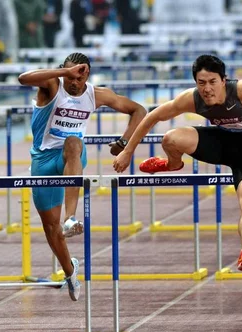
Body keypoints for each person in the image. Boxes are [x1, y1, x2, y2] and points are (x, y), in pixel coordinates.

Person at [112, 54, 242, 272]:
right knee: (171, 138)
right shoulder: (192, 99)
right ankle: (172, 164)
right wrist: (127, 151)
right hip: (220, 143)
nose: (207, 89)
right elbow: (153, 117)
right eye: (201, 83)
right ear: (195, 83)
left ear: (223, 80)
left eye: (212, 82)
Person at [18, 52, 147, 301]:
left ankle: (71, 217)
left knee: (74, 143)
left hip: (71, 157)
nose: (74, 81)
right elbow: (23, 78)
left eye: (79, 75)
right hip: (43, 161)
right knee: (50, 228)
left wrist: (124, 141)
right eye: (71, 75)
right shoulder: (53, 86)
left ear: (87, 74)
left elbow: (139, 110)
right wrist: (63, 73)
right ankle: (69, 271)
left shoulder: (96, 94)